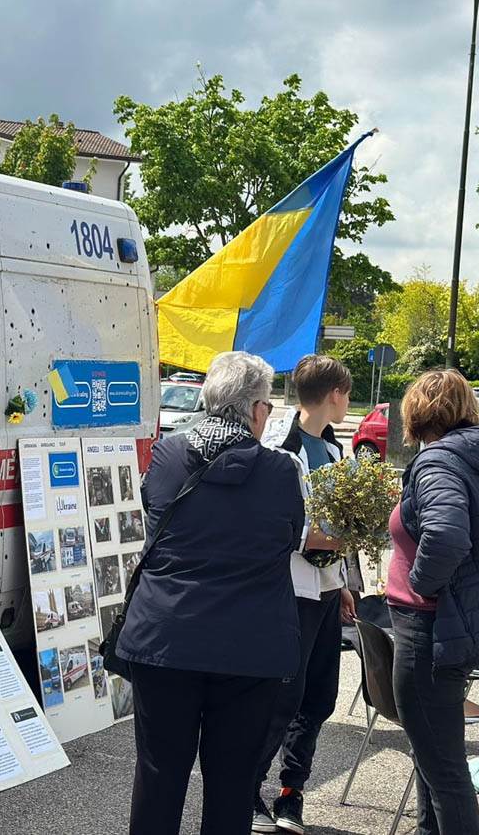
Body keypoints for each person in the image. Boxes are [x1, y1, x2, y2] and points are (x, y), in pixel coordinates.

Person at [115, 351, 304, 835]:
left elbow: (153, 514)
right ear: (258, 410)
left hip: (165, 638)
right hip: (248, 647)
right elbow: (287, 539)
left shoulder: (167, 455)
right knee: (232, 781)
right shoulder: (281, 472)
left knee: (159, 774)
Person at [388, 369, 479, 835]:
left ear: (418, 412)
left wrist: (422, 583)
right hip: (457, 624)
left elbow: (446, 536)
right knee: (435, 758)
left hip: (428, 625)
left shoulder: (437, 463)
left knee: (444, 770)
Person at [254, 355, 364, 834]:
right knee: (283, 695)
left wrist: (342, 584)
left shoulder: (338, 451)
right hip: (290, 591)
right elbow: (270, 524)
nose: (347, 400)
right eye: (347, 392)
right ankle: (247, 789)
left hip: (325, 591)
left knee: (318, 696)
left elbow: (341, 525)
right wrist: (308, 541)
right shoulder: (281, 448)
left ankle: (291, 792)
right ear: (335, 393)